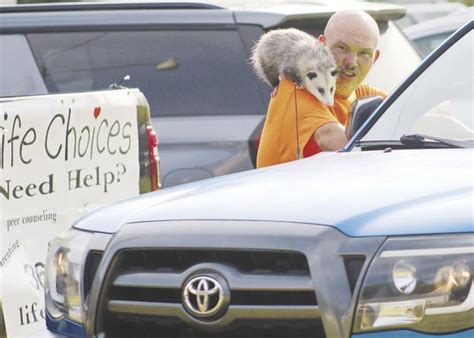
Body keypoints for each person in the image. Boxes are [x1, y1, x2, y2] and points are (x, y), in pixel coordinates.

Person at [256, 9, 388, 168]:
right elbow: (330, 137)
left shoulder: (360, 93)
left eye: (364, 53)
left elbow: (407, 105)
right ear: (321, 46)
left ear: (375, 58)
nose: (351, 61)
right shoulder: (298, 91)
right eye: (342, 48)